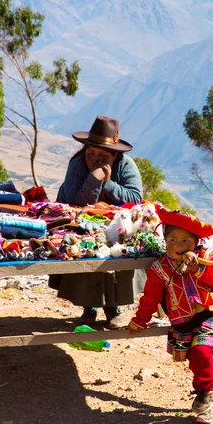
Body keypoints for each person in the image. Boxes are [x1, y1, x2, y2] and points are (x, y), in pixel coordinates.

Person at [128, 208, 213, 424]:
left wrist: (197, 269)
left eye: (186, 240)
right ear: (164, 240)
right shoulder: (160, 268)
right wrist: (140, 320)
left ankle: (211, 387)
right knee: (194, 357)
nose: (179, 245)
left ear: (196, 241)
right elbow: (150, 297)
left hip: (211, 312)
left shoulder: (209, 258)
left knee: (201, 350)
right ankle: (206, 396)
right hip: (183, 317)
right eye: (173, 239)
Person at [49, 115, 143, 328]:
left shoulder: (127, 166)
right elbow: (75, 203)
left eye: (103, 154)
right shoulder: (77, 164)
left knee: (118, 249)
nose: (95, 159)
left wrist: (108, 184)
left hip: (117, 224)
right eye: (91, 153)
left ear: (115, 155)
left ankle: (113, 309)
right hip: (81, 223)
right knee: (87, 248)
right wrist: (94, 178)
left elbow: (135, 199)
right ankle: (88, 308)